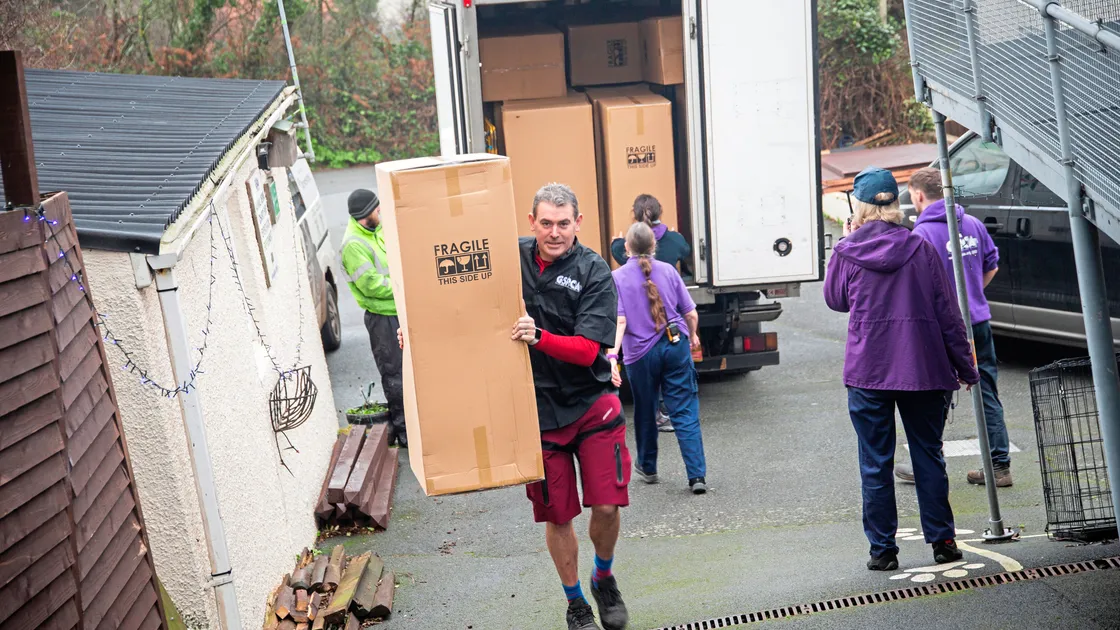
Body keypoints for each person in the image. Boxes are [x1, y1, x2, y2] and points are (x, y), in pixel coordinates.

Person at [399, 183, 630, 630]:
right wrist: (416, 332)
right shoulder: (509, 259)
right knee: (558, 514)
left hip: (591, 405)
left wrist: (539, 336)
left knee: (605, 507)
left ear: (578, 223)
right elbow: (458, 304)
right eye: (546, 223)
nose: (555, 232)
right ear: (532, 222)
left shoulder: (594, 271)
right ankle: (576, 603)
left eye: (564, 223)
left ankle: (603, 577)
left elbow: (587, 350)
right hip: (536, 413)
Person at [824, 167, 980, 571]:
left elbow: (835, 300)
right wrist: (966, 367)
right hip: (923, 370)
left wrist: (846, 238)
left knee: (876, 461)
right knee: (929, 455)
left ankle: (882, 550)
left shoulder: (848, 251)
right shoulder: (921, 249)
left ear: (858, 209)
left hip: (868, 372)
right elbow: (948, 314)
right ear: (896, 205)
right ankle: (943, 541)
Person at [897, 167, 1012, 487]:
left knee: (935, 395)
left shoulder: (921, 235)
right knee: (986, 389)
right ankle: (999, 465)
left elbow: (915, 287)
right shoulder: (972, 224)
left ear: (918, 195)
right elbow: (992, 265)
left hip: (943, 328)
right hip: (978, 321)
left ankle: (927, 463)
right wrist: (973, 294)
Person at [608, 222, 707, 494]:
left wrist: (613, 355)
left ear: (625, 248)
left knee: (646, 407)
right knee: (684, 410)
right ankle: (697, 475)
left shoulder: (617, 278)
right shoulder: (668, 271)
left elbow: (620, 321)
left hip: (639, 355)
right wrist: (694, 336)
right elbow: (690, 313)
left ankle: (649, 467)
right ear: (654, 246)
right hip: (674, 346)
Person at [609, 194, 690, 433]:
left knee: (647, 371)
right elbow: (683, 250)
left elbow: (619, 254)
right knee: (670, 369)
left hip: (638, 324)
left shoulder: (623, 247)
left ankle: (652, 417)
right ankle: (671, 412)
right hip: (669, 324)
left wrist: (612, 355)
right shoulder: (674, 241)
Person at [340, 189, 407, 448]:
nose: (380, 211)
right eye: (376, 209)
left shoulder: (375, 230)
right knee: (395, 375)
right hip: (383, 320)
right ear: (364, 215)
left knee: (410, 373)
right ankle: (405, 434)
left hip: (398, 312)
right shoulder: (353, 245)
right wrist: (403, 284)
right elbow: (371, 285)